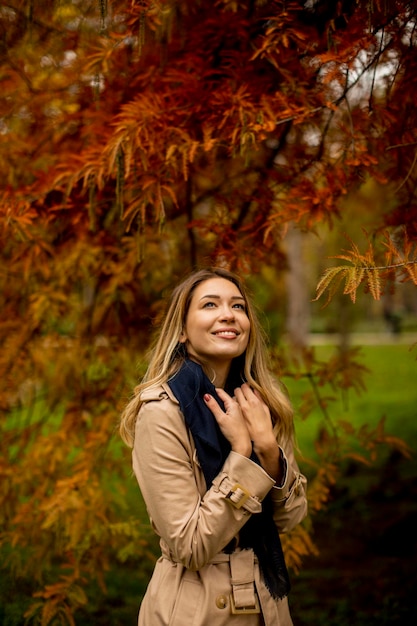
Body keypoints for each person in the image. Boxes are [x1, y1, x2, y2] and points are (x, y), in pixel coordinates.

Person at [120, 267, 307, 626]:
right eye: (210, 304)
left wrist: (267, 449)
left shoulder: (261, 403)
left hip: (267, 602)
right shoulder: (162, 411)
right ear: (181, 331)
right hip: (195, 606)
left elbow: (290, 517)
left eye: (238, 306)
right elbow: (191, 547)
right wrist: (240, 453)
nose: (228, 314)